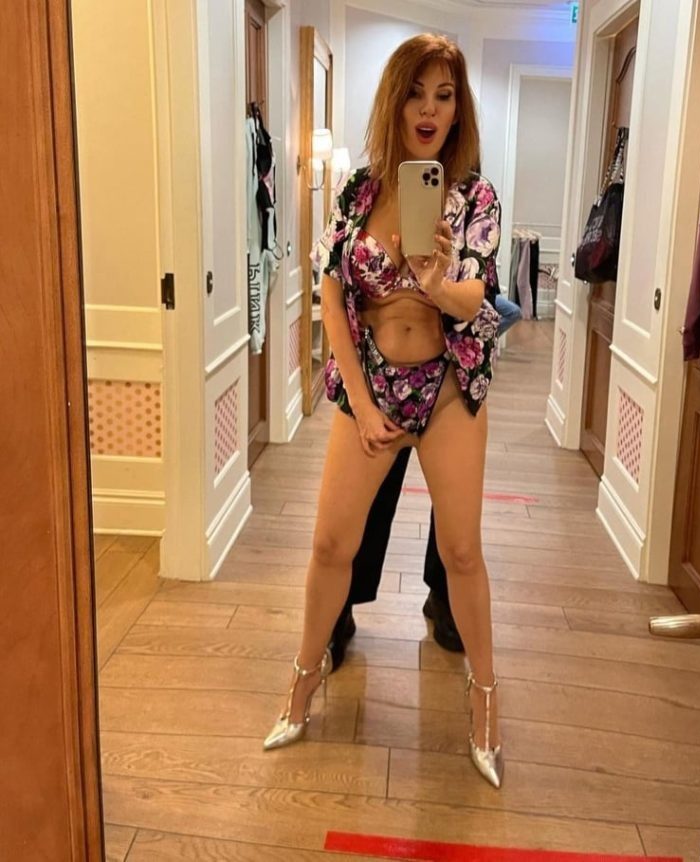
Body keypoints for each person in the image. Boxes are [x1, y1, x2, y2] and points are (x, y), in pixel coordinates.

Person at [263, 34, 504, 788]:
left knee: (461, 553)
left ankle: (486, 706)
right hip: (371, 383)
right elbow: (334, 290)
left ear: (458, 109)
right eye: (416, 93)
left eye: (444, 95)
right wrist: (361, 406)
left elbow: (475, 298)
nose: (429, 109)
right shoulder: (360, 192)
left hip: (449, 388)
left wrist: (434, 281)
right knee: (329, 544)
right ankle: (301, 685)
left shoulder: (475, 197)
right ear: (395, 102)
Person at [328, 293, 521, 666]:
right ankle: (340, 601)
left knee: (453, 500)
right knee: (368, 491)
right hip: (376, 367)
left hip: (450, 370)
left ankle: (445, 595)